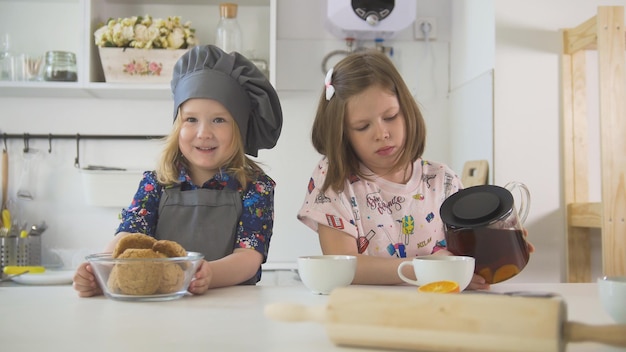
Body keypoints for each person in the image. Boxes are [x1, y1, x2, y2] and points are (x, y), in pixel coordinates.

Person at [297, 49, 533, 290]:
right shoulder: (334, 180)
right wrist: (427, 269)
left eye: (390, 116)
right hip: (366, 317)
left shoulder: (443, 181)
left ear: (407, 109)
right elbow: (342, 266)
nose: (382, 134)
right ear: (342, 134)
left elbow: (460, 257)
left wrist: (484, 260)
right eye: (362, 126)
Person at [73, 45, 283, 297]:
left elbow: (249, 257)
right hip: (161, 307)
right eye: (191, 119)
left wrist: (207, 275)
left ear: (240, 128)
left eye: (219, 120)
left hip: (231, 306)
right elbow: (130, 236)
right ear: (177, 126)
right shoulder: (156, 183)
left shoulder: (255, 187)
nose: (203, 133)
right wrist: (102, 271)